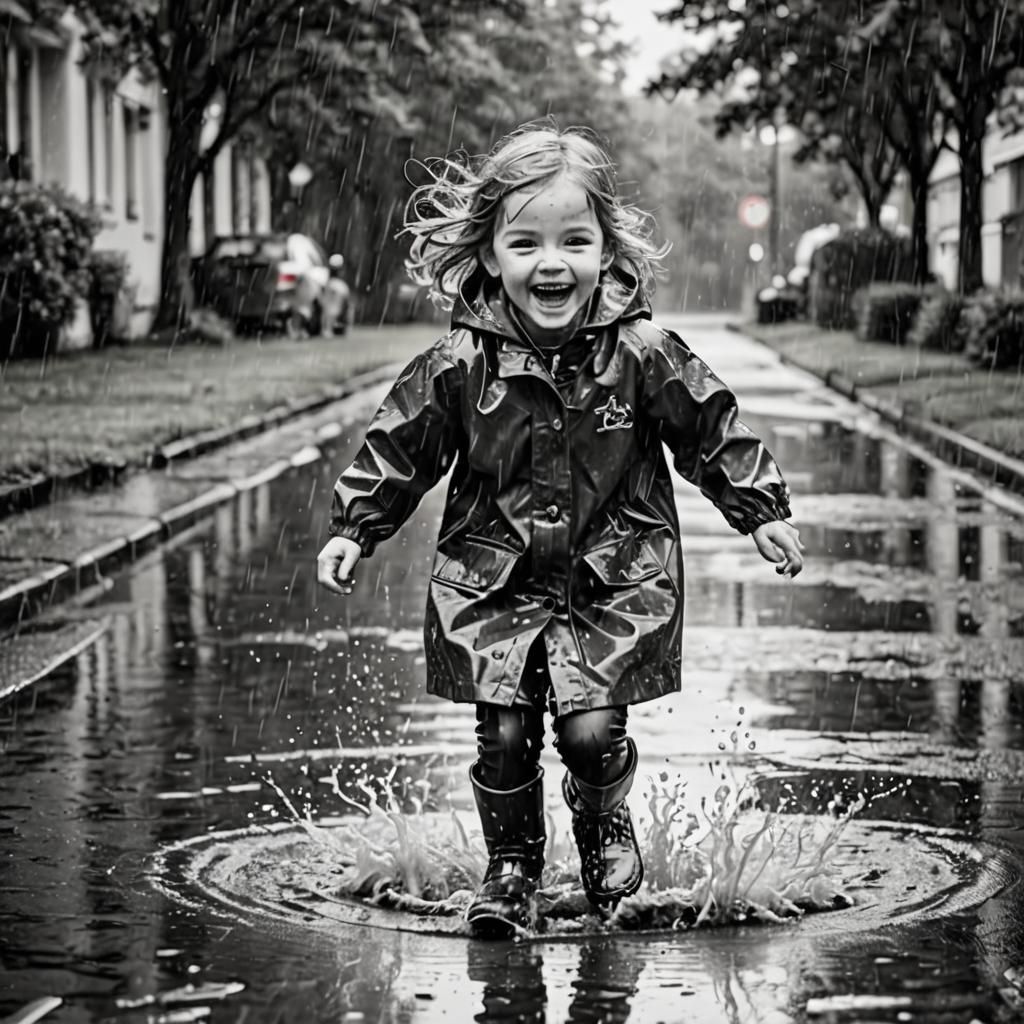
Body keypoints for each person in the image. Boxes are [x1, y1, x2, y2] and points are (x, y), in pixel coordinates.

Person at [316, 122, 803, 938]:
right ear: (490, 254)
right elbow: (399, 446)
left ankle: (602, 817)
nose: (552, 263)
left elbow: (710, 428)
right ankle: (512, 869)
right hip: (492, 580)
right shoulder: (458, 363)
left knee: (589, 727)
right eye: (527, 243)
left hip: (613, 579)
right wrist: (355, 527)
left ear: (606, 249)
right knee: (504, 731)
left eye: (575, 241)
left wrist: (761, 508)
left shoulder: (643, 353)